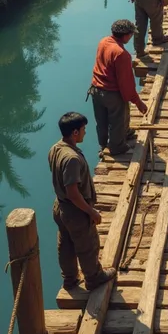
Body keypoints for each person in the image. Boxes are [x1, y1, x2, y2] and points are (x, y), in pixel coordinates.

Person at [49, 112, 116, 291]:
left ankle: (69, 280)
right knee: (87, 245)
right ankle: (94, 277)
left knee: (66, 245)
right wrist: (91, 211)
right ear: (75, 133)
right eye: (84, 129)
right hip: (74, 211)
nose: (86, 132)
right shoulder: (71, 159)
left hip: (60, 207)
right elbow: (73, 193)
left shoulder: (55, 148)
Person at [89, 20, 148, 157]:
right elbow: (126, 84)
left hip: (96, 89)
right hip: (111, 93)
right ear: (126, 36)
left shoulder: (103, 41)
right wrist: (138, 102)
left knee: (101, 120)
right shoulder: (121, 54)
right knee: (117, 122)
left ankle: (103, 145)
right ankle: (117, 147)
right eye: (131, 34)